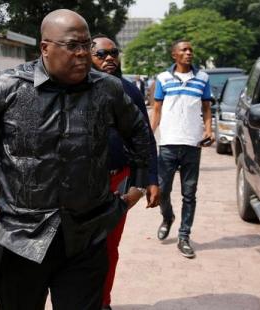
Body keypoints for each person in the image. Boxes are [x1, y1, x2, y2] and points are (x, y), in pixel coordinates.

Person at [0, 9, 151, 309]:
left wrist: (138, 187)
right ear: (45, 48)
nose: (82, 54)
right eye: (73, 46)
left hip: (86, 238)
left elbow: (139, 132)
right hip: (20, 241)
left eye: (86, 45)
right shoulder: (7, 87)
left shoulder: (108, 89)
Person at [90, 34, 159, 310]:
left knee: (108, 247)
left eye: (113, 53)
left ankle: (104, 302)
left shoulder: (129, 91)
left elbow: (145, 138)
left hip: (119, 181)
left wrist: (150, 179)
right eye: (102, 54)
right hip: (83, 183)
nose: (109, 58)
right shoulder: (75, 89)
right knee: (81, 251)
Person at [150, 39, 214, 258]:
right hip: (168, 143)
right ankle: (167, 217)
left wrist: (209, 129)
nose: (189, 53)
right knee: (163, 190)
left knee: (189, 194)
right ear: (174, 55)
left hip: (192, 144)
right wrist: (149, 135)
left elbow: (207, 108)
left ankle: (184, 236)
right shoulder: (163, 78)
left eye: (190, 50)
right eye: (184, 50)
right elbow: (156, 110)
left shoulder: (203, 78)